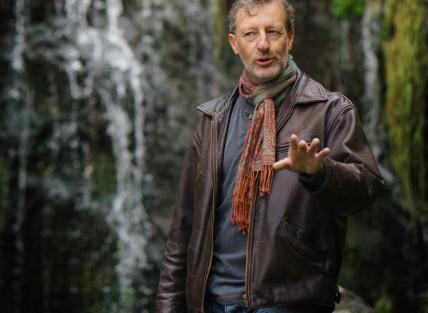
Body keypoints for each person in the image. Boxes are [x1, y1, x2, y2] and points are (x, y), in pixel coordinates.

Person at [156, 0, 384, 312]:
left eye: (273, 32)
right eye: (251, 34)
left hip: (290, 302)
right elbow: (183, 226)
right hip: (213, 303)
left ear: (290, 38)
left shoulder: (331, 111)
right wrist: (169, 306)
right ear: (235, 44)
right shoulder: (213, 120)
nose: (263, 44)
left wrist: (319, 172)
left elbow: (366, 190)